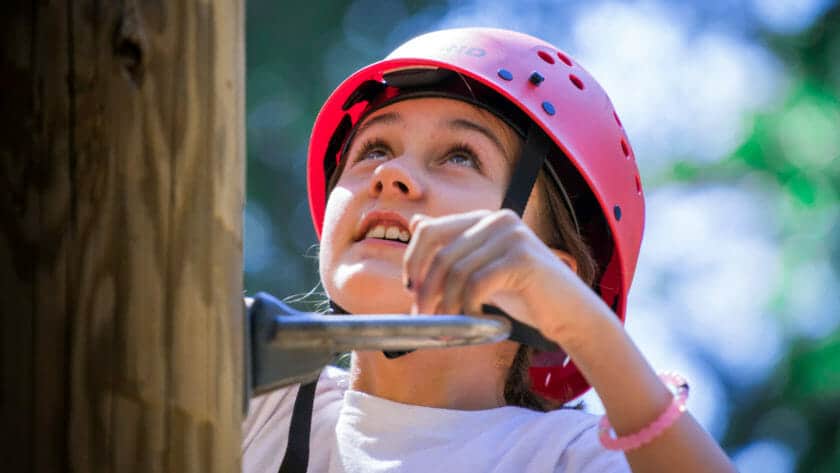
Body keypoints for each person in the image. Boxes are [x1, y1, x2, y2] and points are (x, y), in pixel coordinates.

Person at [242, 27, 736, 473]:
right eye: (374, 148)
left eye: (461, 156)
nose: (389, 175)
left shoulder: (572, 459)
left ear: (556, 275)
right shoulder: (246, 389)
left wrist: (587, 330)